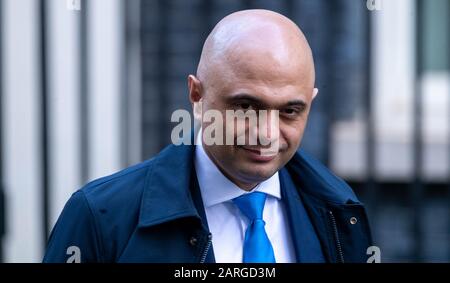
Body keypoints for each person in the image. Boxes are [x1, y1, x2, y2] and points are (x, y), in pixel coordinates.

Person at [43, 9, 373, 263]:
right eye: (246, 105)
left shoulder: (339, 213)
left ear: (310, 103)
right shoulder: (101, 217)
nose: (268, 133)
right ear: (196, 96)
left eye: (289, 110)